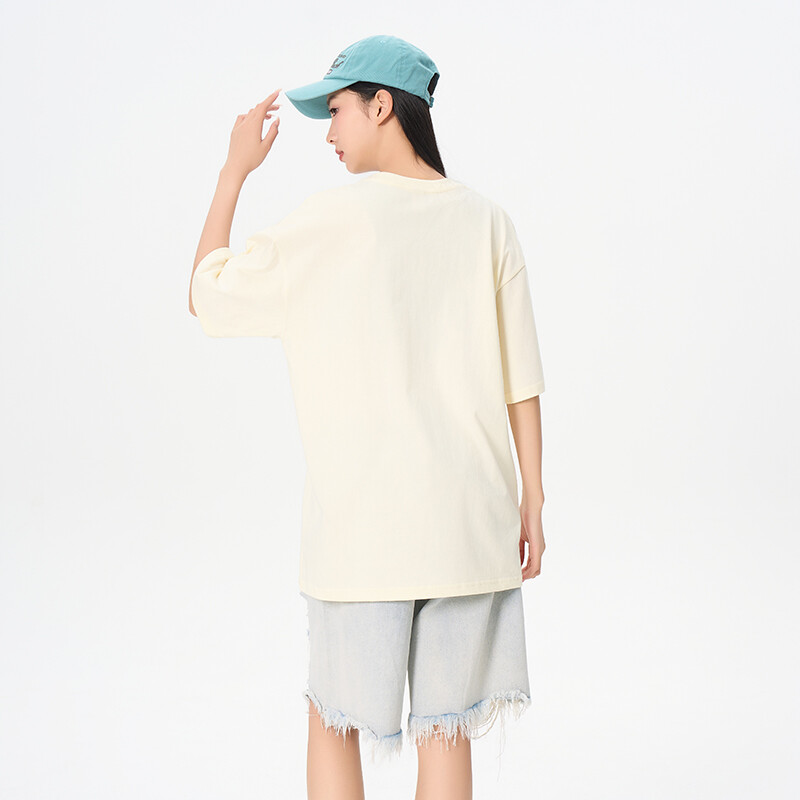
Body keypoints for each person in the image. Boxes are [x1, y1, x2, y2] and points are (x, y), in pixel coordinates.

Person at [189, 33, 546, 800]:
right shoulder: (488, 221)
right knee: (446, 733)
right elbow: (522, 378)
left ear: (382, 106)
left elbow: (207, 297)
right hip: (470, 525)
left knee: (334, 722)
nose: (329, 133)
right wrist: (534, 501)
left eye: (337, 111)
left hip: (360, 534)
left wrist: (232, 172)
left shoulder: (327, 223)